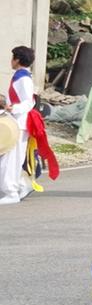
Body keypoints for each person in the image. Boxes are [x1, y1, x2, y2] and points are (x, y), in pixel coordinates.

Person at [0, 46, 35, 205]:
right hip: (16, 122)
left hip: (19, 123)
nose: (11, 61)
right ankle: (21, 185)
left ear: (18, 60)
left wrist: (13, 108)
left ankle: (11, 192)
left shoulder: (24, 79)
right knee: (12, 157)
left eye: (13, 58)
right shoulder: (20, 76)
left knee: (10, 159)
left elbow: (29, 102)